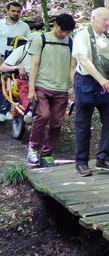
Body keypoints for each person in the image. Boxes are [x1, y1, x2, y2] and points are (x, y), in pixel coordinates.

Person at [72, 7, 109, 177]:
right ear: (93, 19)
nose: (107, 23)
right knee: (83, 123)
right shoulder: (82, 36)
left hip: (102, 84)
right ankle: (81, 163)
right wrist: (101, 80)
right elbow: (83, 60)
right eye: (104, 20)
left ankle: (103, 158)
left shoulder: (103, 38)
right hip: (86, 82)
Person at [26, 14, 76, 167]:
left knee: (56, 122)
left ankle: (47, 154)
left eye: (67, 32)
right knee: (43, 115)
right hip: (42, 86)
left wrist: (74, 88)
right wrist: (31, 88)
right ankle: (33, 149)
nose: (64, 34)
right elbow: (34, 65)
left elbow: (72, 67)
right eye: (62, 30)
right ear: (55, 25)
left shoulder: (70, 43)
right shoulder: (41, 39)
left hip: (61, 89)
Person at [0, 2, 31, 121]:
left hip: (17, 58)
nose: (16, 13)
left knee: (12, 82)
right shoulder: (1, 24)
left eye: (18, 11)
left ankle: (6, 109)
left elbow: (28, 44)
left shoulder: (24, 26)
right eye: (13, 11)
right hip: (2, 56)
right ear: (7, 10)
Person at [0, 36, 31, 120]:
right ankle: (29, 111)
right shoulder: (22, 49)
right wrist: (17, 67)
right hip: (22, 78)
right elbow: (2, 67)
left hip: (41, 79)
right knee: (24, 88)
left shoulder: (46, 50)